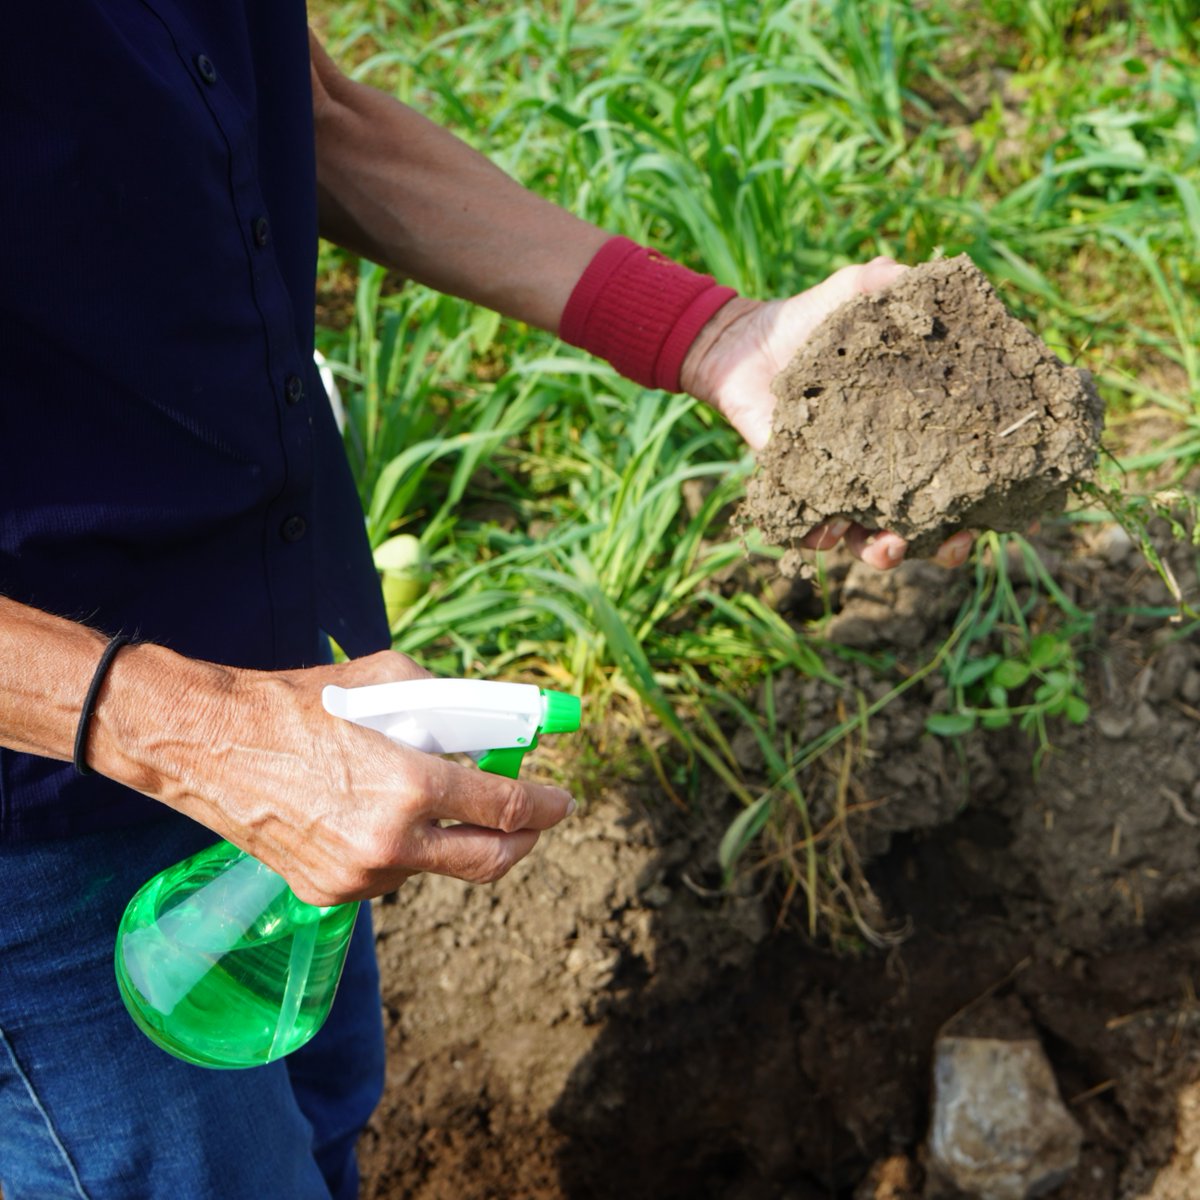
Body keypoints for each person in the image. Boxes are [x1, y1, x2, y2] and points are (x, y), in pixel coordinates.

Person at [0, 7, 973, 1198]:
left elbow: (306, 114)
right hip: (55, 827)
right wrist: (200, 734)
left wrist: (718, 337)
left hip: (291, 688)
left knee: (318, 1128)